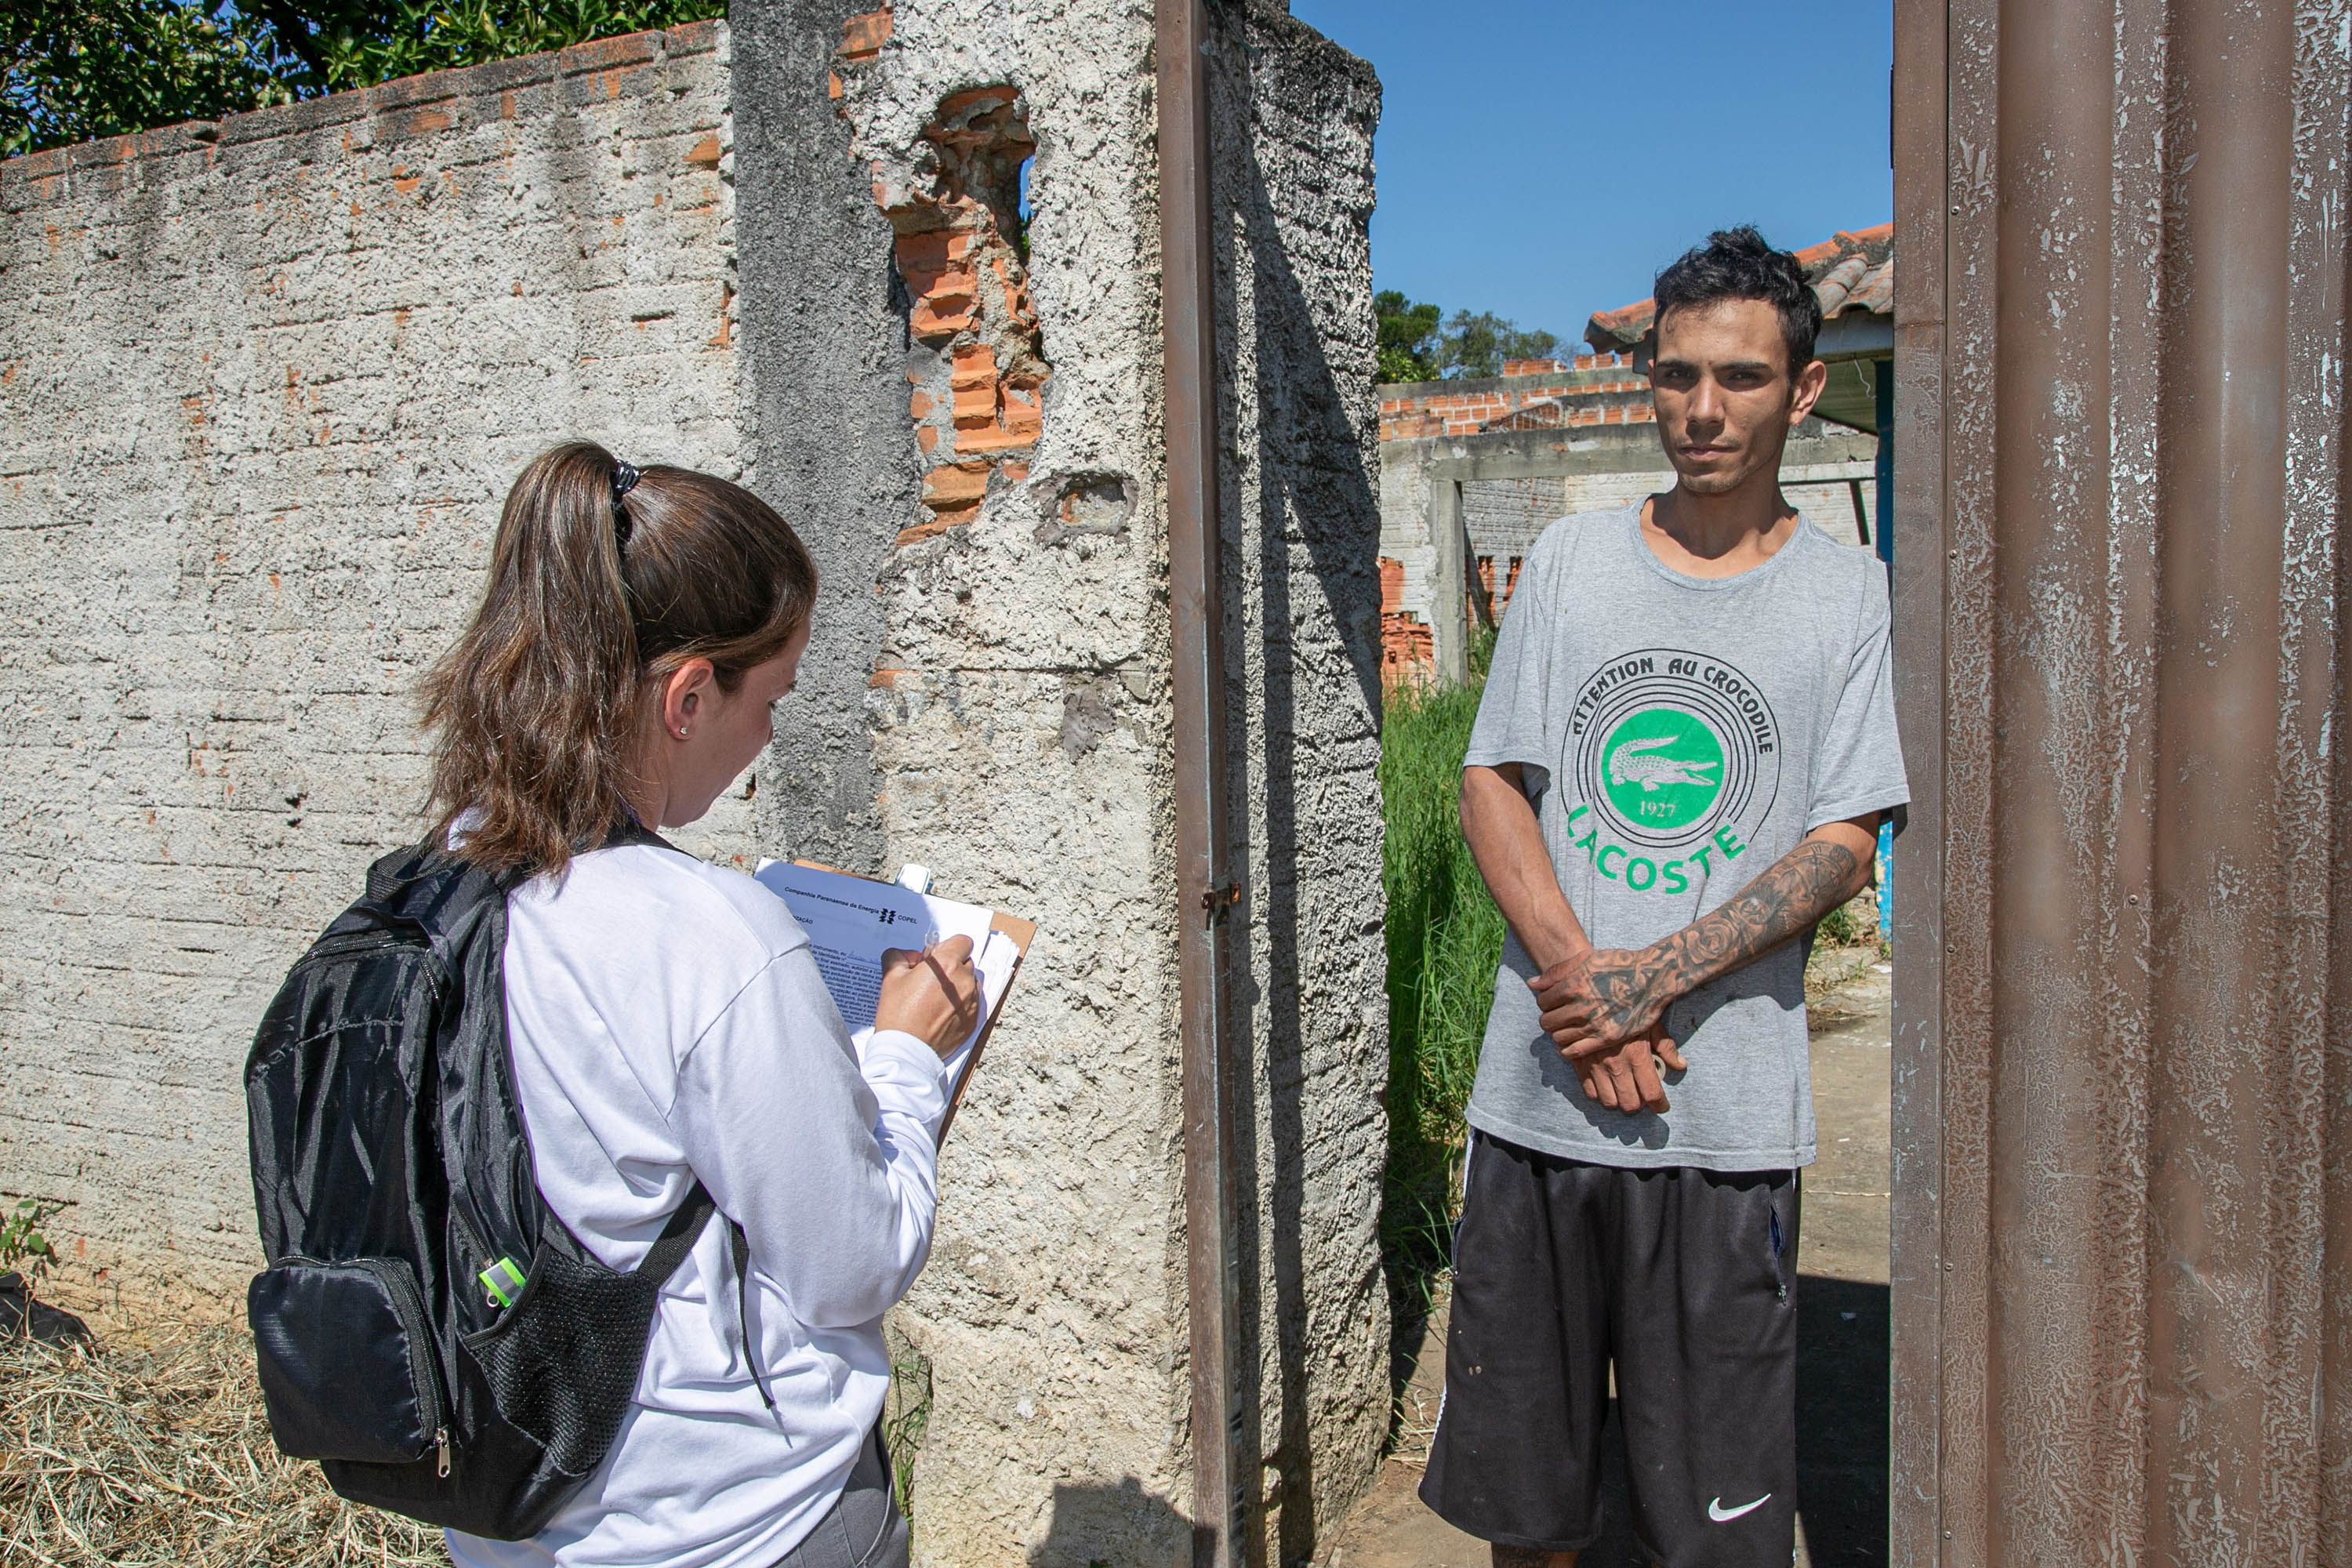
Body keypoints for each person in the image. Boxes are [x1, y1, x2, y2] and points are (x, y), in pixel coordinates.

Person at [1418, 228, 1909, 1568]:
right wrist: (1589, 982)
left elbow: (1844, 839)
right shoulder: (1574, 562)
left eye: (1741, 378)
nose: (1704, 410)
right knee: (1532, 1514)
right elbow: (1491, 784)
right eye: (1677, 374)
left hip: (1724, 1120)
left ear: (1802, 391)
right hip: (1539, 1109)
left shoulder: (1848, 596)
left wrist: (1655, 981)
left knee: (1716, 1530)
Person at [424, 442, 979, 1568]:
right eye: (768, 696)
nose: (770, 735)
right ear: (687, 696)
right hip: (733, 1526)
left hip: (506, 1518)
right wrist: (908, 1059)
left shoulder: (445, 875)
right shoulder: (714, 939)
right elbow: (850, 1262)